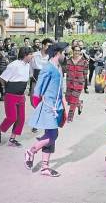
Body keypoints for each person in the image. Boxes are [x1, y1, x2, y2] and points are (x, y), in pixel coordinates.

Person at [25, 42, 69, 177]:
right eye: (64, 53)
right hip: (48, 107)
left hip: (57, 107)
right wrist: (42, 107)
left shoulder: (59, 67)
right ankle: (31, 151)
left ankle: (44, 167)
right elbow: (37, 90)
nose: (66, 55)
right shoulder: (48, 68)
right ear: (58, 53)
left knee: (51, 136)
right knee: (52, 135)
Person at [0, 47, 33, 147]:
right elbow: (2, 77)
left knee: (21, 119)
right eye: (31, 54)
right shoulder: (14, 65)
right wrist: (4, 88)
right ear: (25, 55)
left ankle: (12, 139)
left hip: (21, 95)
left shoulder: (28, 65)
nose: (32, 56)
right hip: (10, 94)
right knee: (11, 117)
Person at [65, 45, 88, 122]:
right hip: (69, 83)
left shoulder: (84, 62)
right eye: (76, 50)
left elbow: (85, 74)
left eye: (78, 50)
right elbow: (65, 71)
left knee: (73, 101)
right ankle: (79, 103)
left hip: (79, 84)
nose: (77, 52)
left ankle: (70, 117)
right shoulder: (68, 61)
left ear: (80, 51)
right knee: (68, 99)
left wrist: (84, 84)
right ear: (73, 51)